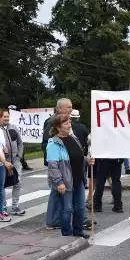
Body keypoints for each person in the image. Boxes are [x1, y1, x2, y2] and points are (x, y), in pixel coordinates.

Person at [46, 114, 90, 239]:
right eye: (66, 123)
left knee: (80, 208)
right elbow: (53, 166)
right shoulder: (54, 144)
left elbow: (80, 157)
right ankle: (67, 235)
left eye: (69, 122)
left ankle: (78, 231)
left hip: (78, 179)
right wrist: (59, 182)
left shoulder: (73, 138)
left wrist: (88, 160)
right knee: (67, 209)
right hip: (65, 182)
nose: (69, 125)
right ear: (58, 127)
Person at [43, 98, 73, 228]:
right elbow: (46, 141)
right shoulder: (52, 122)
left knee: (57, 193)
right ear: (59, 109)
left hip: (62, 160)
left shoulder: (66, 121)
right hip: (57, 160)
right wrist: (51, 158)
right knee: (57, 190)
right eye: (68, 107)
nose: (71, 109)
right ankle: (53, 221)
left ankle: (55, 219)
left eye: (71, 107)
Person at [1, 110, 25, 216]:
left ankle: (15, 206)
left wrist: (19, 155)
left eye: (7, 116)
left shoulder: (13, 127)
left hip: (15, 160)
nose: (6, 118)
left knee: (18, 183)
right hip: (3, 161)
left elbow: (20, 142)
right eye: (4, 116)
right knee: (3, 184)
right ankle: (3, 207)